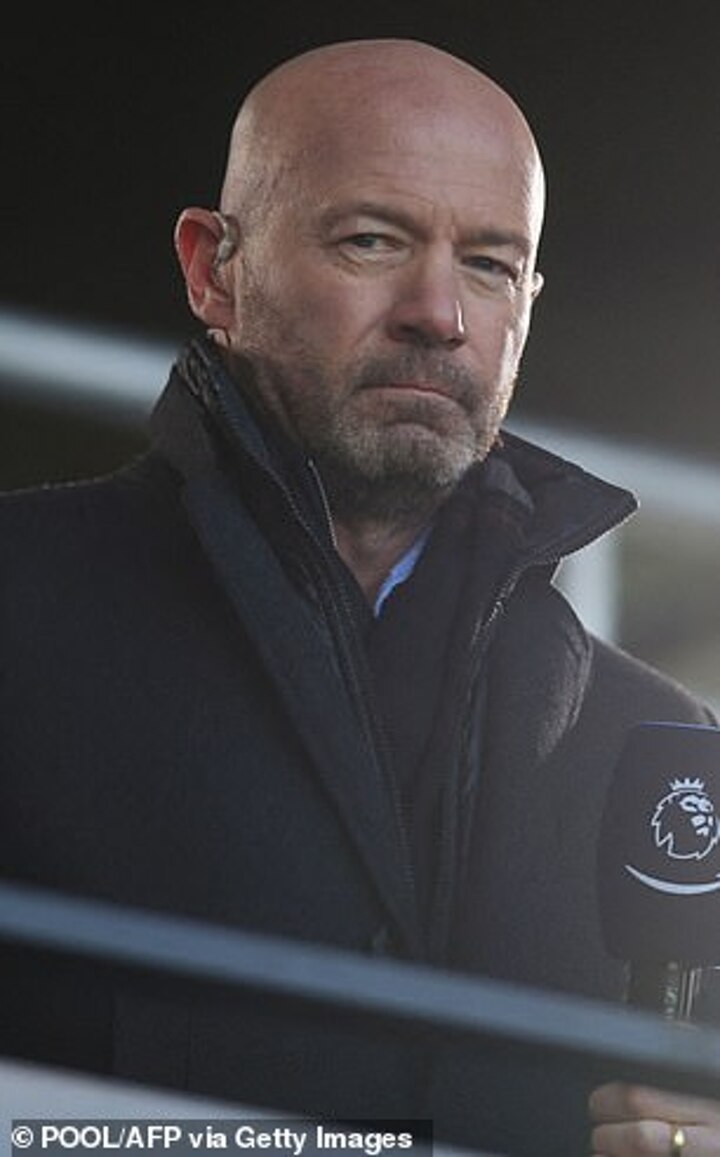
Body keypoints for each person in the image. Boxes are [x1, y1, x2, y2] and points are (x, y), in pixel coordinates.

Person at [1, 37, 719, 1156]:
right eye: (373, 239)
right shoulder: (20, 606)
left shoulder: (661, 744)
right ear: (213, 270)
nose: (439, 312)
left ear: (526, 307)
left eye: (490, 264)